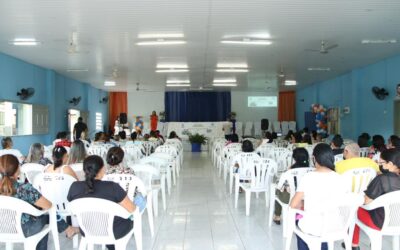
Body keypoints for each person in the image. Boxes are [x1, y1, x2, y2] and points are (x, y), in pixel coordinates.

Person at [0, 154, 78, 250]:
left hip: (2, 227)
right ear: (17, 170)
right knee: (46, 215)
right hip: (24, 229)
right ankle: (69, 229)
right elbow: (48, 205)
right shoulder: (25, 188)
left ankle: (69, 229)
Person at [67, 155, 136, 250]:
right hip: (114, 231)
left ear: (84, 170)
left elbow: (72, 208)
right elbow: (132, 209)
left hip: (87, 229)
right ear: (103, 169)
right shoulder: (113, 187)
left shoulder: (74, 187)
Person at [290, 143, 346, 250]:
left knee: (297, 220)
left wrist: (302, 204)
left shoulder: (308, 177)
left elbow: (293, 205)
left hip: (314, 226)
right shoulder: (340, 177)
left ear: (314, 158)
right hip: (337, 224)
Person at [349, 148, 400, 250]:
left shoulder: (382, 179)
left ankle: (354, 245)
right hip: (397, 220)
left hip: (381, 222)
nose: (379, 165)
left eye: (381, 162)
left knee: (354, 208)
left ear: (390, 164)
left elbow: (366, 201)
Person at [273, 148, 310, 225]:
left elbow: (280, 185)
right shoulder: (311, 169)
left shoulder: (291, 170)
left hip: (291, 198)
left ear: (294, 158)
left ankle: (277, 216)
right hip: (306, 198)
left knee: (277, 191)